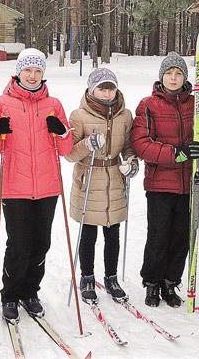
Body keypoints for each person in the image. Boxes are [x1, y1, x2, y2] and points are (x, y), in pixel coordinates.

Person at [0, 48, 73, 322]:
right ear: (18, 72)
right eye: (27, 70)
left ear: (43, 73)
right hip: (15, 187)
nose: (32, 76)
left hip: (47, 187)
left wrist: (62, 131)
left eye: (37, 71)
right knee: (19, 244)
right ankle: (10, 295)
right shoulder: (2, 103)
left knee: (41, 243)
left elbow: (66, 148)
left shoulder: (54, 104)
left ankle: (30, 292)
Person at [131, 52, 199, 308]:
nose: (173, 77)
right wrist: (177, 154)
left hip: (190, 184)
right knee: (158, 235)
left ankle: (171, 282)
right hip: (160, 183)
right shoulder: (148, 105)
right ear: (161, 76)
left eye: (178, 73)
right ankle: (152, 283)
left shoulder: (196, 104)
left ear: (185, 77)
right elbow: (141, 144)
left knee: (182, 235)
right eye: (169, 73)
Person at [65, 68, 138, 304]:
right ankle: (87, 277)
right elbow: (69, 153)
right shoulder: (78, 115)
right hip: (89, 178)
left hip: (115, 179)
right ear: (91, 89)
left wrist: (131, 161)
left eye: (111, 88)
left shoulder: (125, 115)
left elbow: (128, 145)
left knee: (112, 232)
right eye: (102, 88)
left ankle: (111, 277)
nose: (107, 94)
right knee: (88, 233)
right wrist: (88, 144)